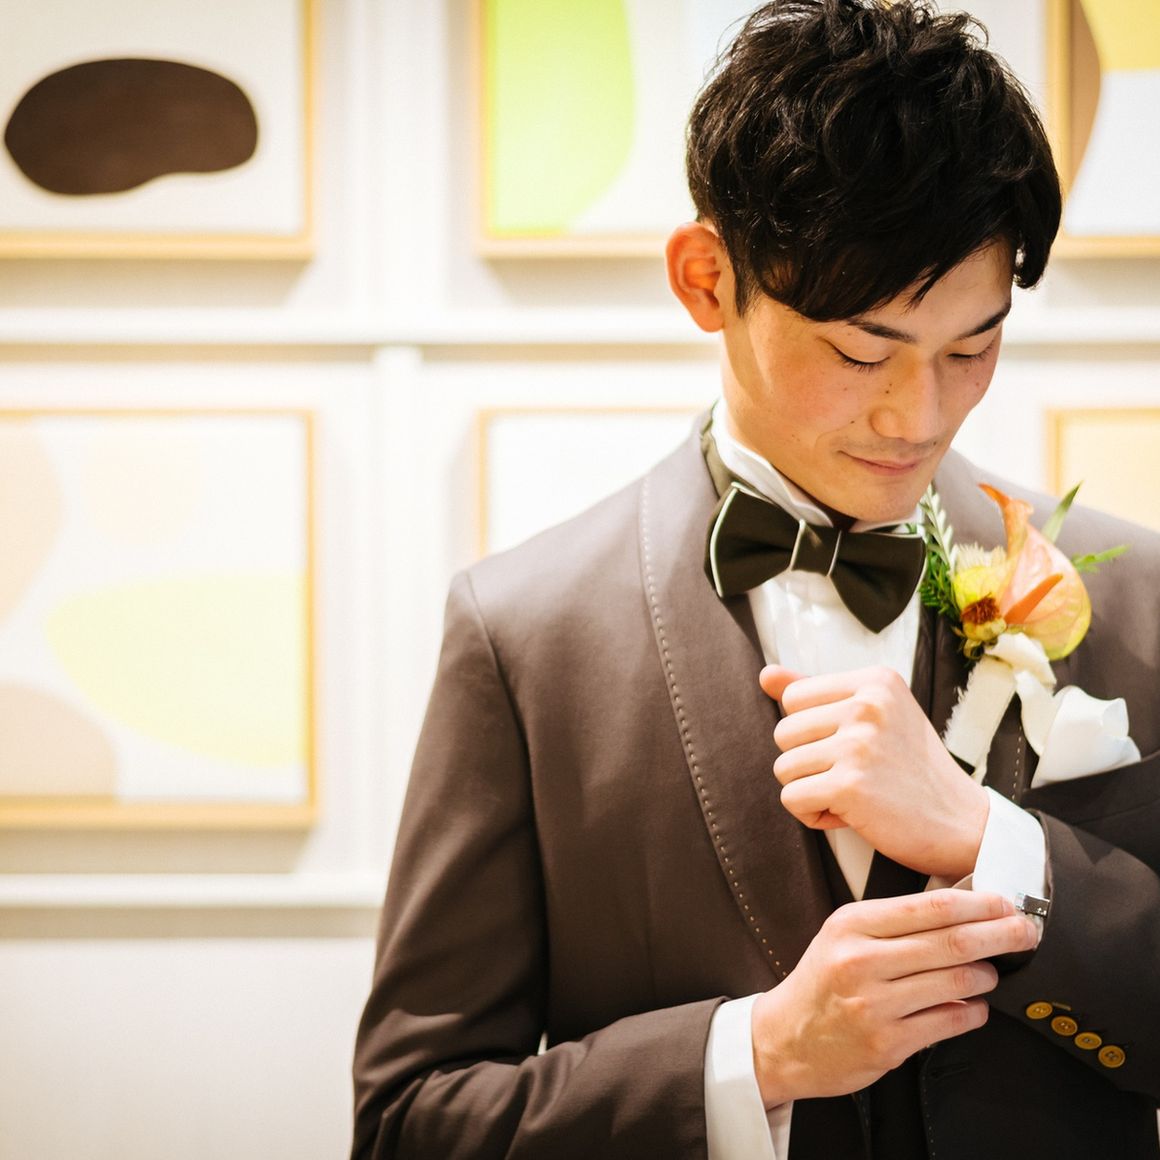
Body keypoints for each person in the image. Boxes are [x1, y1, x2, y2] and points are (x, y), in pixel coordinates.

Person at [352, 2, 1160, 1156]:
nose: (916, 414)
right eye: (860, 350)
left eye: (970, 348)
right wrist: (758, 1053)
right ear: (704, 279)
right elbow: (408, 1120)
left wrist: (994, 841)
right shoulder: (521, 635)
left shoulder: (1132, 593)